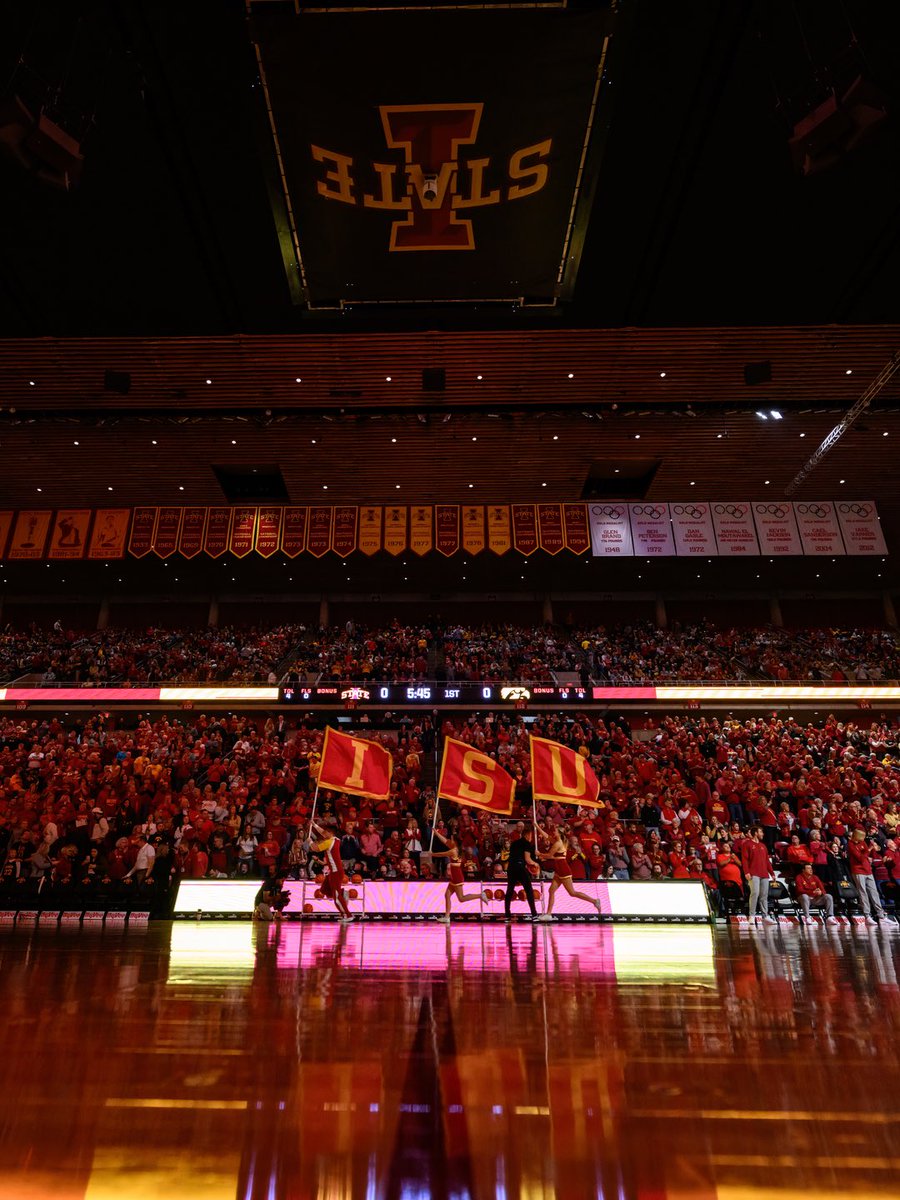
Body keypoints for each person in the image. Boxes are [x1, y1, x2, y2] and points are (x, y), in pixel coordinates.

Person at [535, 822, 602, 921]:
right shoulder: (558, 841)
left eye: (555, 831)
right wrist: (536, 826)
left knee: (572, 892)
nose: (553, 832)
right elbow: (547, 836)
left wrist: (539, 854)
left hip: (563, 870)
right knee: (551, 890)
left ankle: (594, 901)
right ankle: (548, 915)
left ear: (560, 834)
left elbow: (549, 855)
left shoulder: (558, 843)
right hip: (559, 870)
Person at [426, 831, 482, 922]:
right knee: (447, 895)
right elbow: (445, 841)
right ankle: (447, 917)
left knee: (461, 898)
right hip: (454, 875)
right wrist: (436, 833)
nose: (449, 840)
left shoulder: (453, 851)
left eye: (451, 839)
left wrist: (431, 854)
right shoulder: (456, 848)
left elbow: (441, 854)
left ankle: (480, 895)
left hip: (457, 876)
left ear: (454, 841)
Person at [309, 819, 353, 922]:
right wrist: (314, 825)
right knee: (324, 890)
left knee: (336, 898)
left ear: (330, 833)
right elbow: (323, 833)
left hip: (335, 872)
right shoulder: (336, 839)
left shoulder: (329, 842)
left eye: (326, 832)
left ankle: (347, 915)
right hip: (333, 872)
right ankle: (343, 893)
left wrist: (309, 841)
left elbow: (315, 848)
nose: (323, 834)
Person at [848, 828, 887, 925]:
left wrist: (872, 849)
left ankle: (881, 915)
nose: (864, 838)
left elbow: (867, 854)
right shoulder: (850, 845)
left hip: (868, 870)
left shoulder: (863, 843)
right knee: (863, 893)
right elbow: (860, 858)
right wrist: (869, 849)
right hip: (858, 871)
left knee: (874, 892)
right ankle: (867, 915)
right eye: (862, 836)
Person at [742, 825, 776, 925]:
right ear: (756, 833)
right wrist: (746, 872)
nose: (763, 834)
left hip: (764, 874)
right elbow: (744, 859)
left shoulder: (763, 846)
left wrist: (772, 873)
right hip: (753, 873)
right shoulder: (747, 844)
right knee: (755, 893)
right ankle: (751, 915)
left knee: (764, 895)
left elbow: (767, 861)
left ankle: (765, 916)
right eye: (761, 832)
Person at [503, 826, 539, 920]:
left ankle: (507, 915)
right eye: (531, 835)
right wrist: (535, 863)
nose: (531, 838)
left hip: (511, 868)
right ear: (527, 835)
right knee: (529, 890)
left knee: (509, 890)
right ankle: (534, 915)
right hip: (519, 867)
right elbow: (527, 859)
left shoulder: (514, 843)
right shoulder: (526, 843)